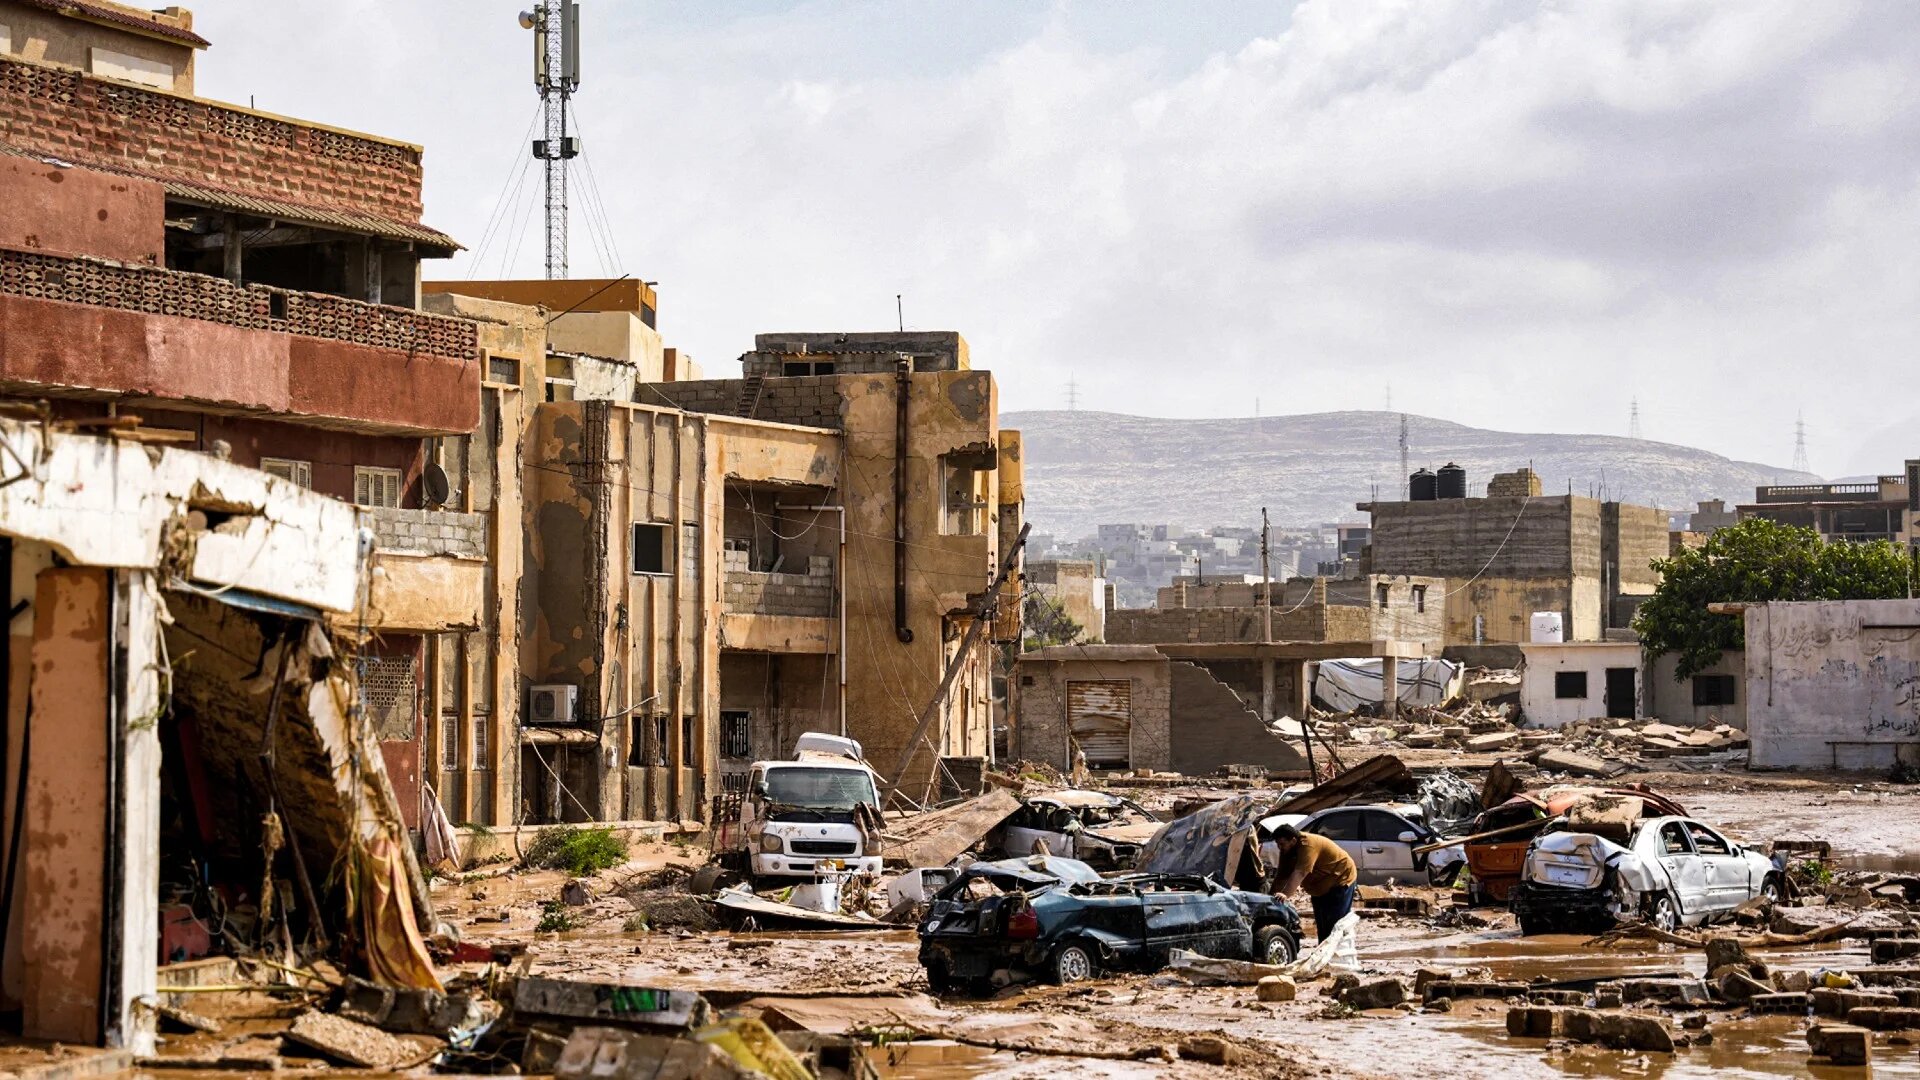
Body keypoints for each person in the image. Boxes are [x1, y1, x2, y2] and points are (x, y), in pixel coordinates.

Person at [1267, 823, 1358, 942]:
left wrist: (1285, 894)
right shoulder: (1286, 851)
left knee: (1336, 924)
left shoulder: (1307, 845)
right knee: (1322, 924)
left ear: (1293, 840)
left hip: (1340, 879)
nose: (1280, 848)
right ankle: (1323, 954)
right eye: (1278, 844)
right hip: (1319, 887)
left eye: (1282, 844)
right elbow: (1282, 875)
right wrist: (1270, 897)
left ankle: (1339, 955)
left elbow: (1300, 873)